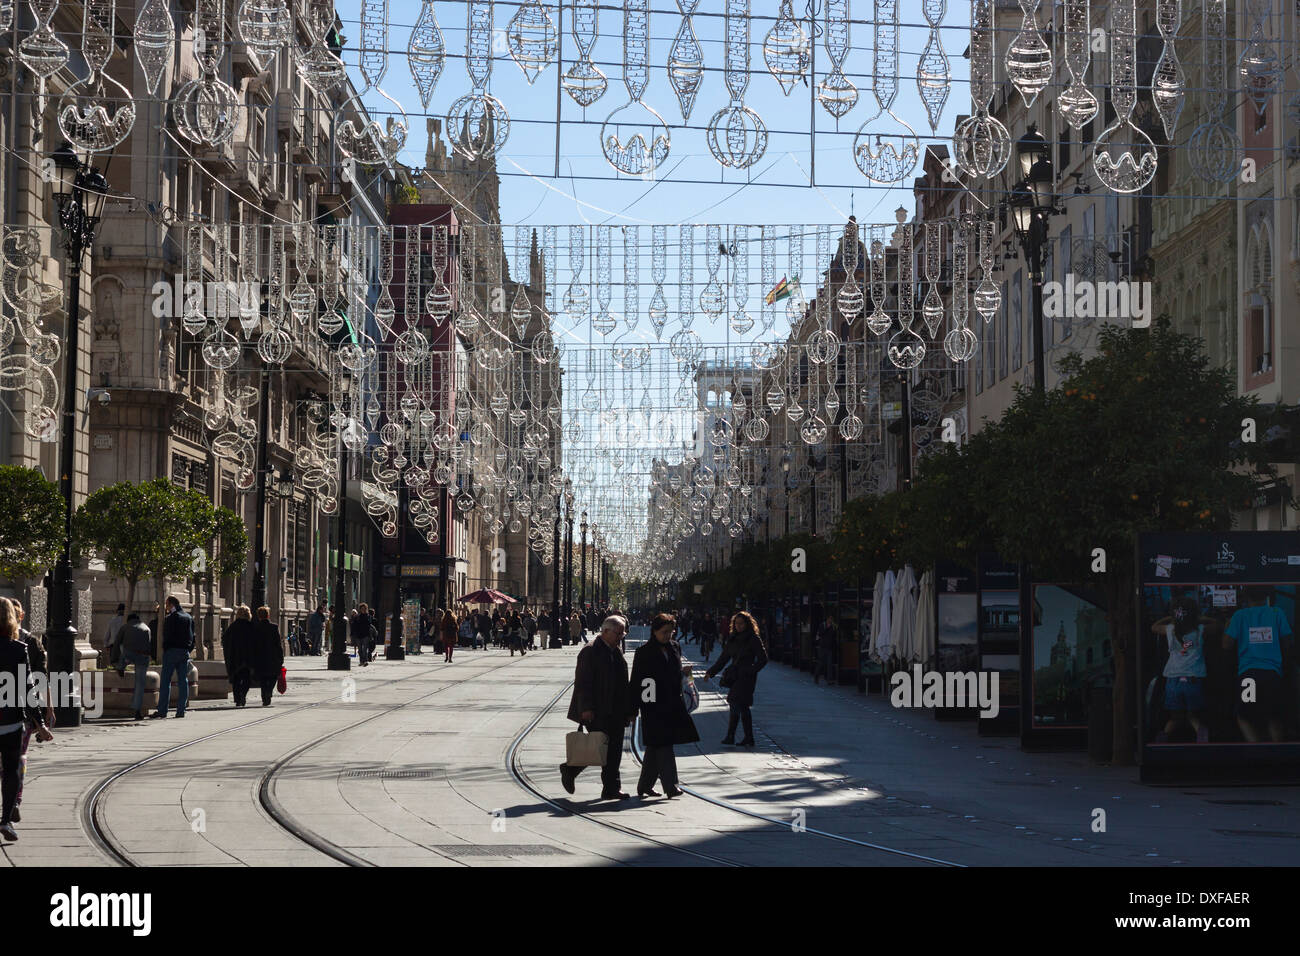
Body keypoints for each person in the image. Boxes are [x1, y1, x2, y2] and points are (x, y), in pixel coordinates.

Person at [559, 615, 632, 800]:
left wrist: (630, 709)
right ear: (605, 631)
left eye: (623, 633)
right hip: (598, 709)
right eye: (618, 633)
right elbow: (583, 683)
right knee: (599, 747)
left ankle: (611, 788)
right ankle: (570, 769)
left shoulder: (615, 651)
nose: (621, 636)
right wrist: (586, 708)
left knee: (613, 750)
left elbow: (624, 683)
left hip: (615, 709)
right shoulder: (590, 651)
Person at [0, 598, 53, 841]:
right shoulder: (18, 649)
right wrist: (40, 723)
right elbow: (28, 689)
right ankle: (6, 820)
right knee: (11, 771)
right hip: (9, 722)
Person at [630, 613, 698, 798]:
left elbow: (677, 675)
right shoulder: (644, 652)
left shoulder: (675, 647)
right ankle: (671, 786)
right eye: (664, 632)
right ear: (654, 631)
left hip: (673, 703)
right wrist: (638, 707)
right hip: (653, 705)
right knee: (664, 745)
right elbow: (639, 681)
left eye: (671, 632)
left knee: (655, 746)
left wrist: (685, 674)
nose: (668, 636)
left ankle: (644, 785)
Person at [1222, 586, 1292, 743]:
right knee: (1273, 716)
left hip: (1249, 676)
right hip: (1272, 675)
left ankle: (1256, 749)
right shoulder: (1277, 613)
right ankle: (1276, 755)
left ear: (1246, 596)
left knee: (1244, 716)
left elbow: (1226, 645)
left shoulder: (1239, 615)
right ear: (1267, 594)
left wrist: (1228, 625)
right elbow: (1287, 642)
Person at [12, 600, 53, 820]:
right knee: (19, 757)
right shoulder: (31, 643)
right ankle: (15, 799)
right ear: (21, 616)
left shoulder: (29, 644)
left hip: (19, 711)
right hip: (25, 713)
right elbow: (39, 680)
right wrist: (47, 711)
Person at [704, 611, 768, 747]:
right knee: (743, 705)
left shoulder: (753, 638)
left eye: (741, 623)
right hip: (735, 675)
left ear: (747, 624)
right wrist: (711, 672)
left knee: (734, 701)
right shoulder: (732, 639)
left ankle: (731, 735)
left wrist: (751, 670)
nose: (738, 626)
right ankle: (748, 737)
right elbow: (723, 658)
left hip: (747, 676)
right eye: (736, 623)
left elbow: (763, 659)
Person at [1149, 597, 1208, 743]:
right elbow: (1217, 624)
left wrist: (1172, 617)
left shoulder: (1170, 629)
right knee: (1193, 716)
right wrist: (1196, 618)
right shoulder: (1200, 630)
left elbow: (1154, 626)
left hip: (1173, 680)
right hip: (1193, 678)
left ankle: (1162, 740)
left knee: (1175, 717)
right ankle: (1202, 737)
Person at [151, 596, 194, 719]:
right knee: (183, 681)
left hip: (171, 652)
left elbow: (167, 636)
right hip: (184, 651)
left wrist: (166, 648)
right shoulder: (188, 617)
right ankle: (181, 710)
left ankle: (162, 710)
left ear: (170, 604)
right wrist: (187, 649)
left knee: (165, 681)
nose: (166, 607)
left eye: (167, 605)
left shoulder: (171, 618)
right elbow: (192, 637)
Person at [117, 612, 153, 720]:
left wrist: (116, 662)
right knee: (140, 684)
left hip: (129, 653)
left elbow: (117, 643)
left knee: (123, 649)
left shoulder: (125, 627)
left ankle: (122, 665)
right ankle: (137, 710)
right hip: (143, 656)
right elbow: (149, 644)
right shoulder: (146, 628)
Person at [222, 606, 256, 707]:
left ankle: (237, 698)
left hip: (235, 658)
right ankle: (243, 695)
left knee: (236, 679)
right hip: (247, 658)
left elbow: (225, 641)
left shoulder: (232, 627)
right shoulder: (251, 627)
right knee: (247, 679)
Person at [251, 606, 285, 707]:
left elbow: (253, 645)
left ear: (258, 616)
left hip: (260, 658)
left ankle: (264, 694)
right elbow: (278, 645)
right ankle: (269, 691)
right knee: (273, 677)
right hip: (272, 658)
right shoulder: (274, 627)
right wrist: (280, 657)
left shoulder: (255, 628)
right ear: (268, 615)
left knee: (263, 679)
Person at [814, 615, 837, 686]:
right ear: (827, 619)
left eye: (831, 619)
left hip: (829, 648)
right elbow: (820, 634)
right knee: (821, 663)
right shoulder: (822, 625)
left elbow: (834, 636)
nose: (830, 620)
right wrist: (827, 628)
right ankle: (816, 676)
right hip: (822, 647)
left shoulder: (833, 626)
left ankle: (829, 680)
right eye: (829, 619)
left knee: (829, 664)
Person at [104, 602, 125, 669]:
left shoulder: (112, 621)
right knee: (123, 665)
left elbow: (107, 635)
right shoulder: (126, 621)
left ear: (117, 611)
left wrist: (106, 645)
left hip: (114, 646)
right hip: (124, 645)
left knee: (114, 664)